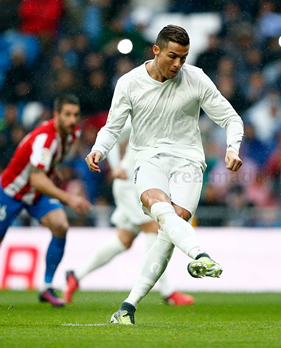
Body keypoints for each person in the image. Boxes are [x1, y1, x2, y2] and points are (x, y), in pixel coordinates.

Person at [85, 25, 244, 325]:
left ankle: (127, 307)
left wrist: (232, 148)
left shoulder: (195, 79)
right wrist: (99, 150)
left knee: (169, 232)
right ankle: (200, 255)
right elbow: (112, 126)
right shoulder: (130, 83)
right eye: (172, 56)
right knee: (162, 212)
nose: (177, 64)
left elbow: (230, 118)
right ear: (156, 50)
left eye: (183, 58)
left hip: (188, 162)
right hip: (148, 159)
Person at [65, 119, 194, 306]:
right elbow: (114, 133)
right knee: (155, 227)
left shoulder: (171, 120)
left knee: (123, 240)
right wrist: (116, 164)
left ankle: (75, 276)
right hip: (129, 184)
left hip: (144, 185)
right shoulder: (143, 112)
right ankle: (167, 292)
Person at [0, 94, 92, 306]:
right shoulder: (45, 139)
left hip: (36, 194)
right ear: (56, 115)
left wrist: (54, 169)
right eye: (67, 115)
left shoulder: (72, 133)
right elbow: (36, 178)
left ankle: (47, 287)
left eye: (76, 115)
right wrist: (69, 198)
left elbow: (46, 168)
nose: (72, 120)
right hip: (12, 191)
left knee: (60, 225)